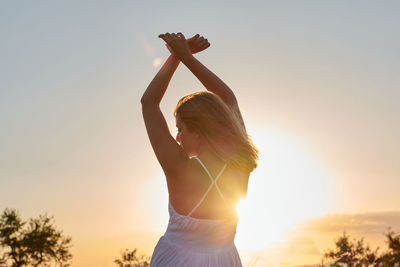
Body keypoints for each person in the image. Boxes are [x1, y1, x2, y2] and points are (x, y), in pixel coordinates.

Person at [141, 32, 259, 267]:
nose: (177, 137)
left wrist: (176, 56)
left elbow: (149, 103)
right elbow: (227, 98)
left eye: (181, 128)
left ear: (200, 130)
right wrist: (188, 58)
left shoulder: (179, 168)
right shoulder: (242, 162)